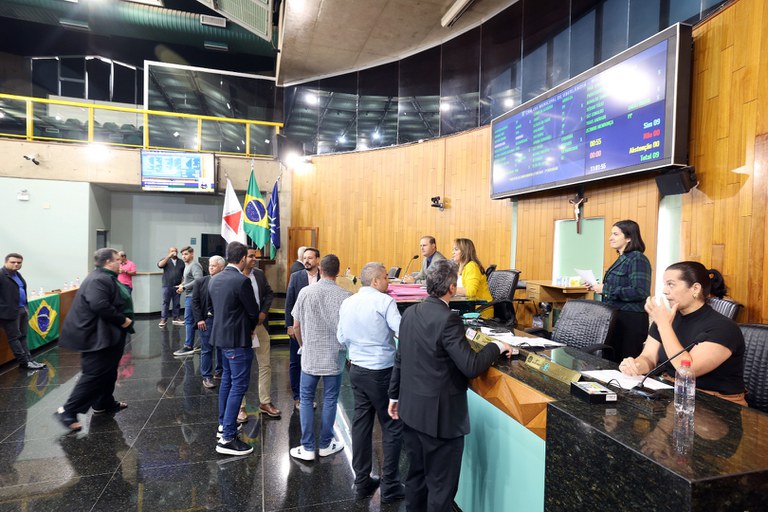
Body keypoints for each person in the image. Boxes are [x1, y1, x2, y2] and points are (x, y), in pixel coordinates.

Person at [387, 259, 512, 511]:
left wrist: (394, 396)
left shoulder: (409, 313)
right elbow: (471, 366)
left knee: (416, 478)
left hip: (410, 412)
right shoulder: (448, 320)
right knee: (441, 489)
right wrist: (497, 346)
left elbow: (400, 358)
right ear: (452, 288)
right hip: (440, 421)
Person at [619, 261, 746, 406]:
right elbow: (649, 357)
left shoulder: (723, 327)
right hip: (673, 393)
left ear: (695, 288)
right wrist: (635, 366)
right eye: (664, 285)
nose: (665, 291)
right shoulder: (666, 320)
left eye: (671, 284)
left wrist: (664, 326)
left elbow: (688, 370)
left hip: (717, 403)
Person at [338, 262, 404, 503]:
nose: (388, 281)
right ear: (375, 281)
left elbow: (341, 337)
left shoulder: (348, 302)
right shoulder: (385, 302)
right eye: (386, 277)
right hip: (382, 372)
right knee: (392, 425)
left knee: (362, 424)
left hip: (356, 370)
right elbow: (402, 332)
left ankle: (362, 482)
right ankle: (391, 486)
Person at [56, 248, 134, 431]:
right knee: (94, 373)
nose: (121, 262)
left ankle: (103, 403)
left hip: (106, 334)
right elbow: (99, 304)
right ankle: (67, 411)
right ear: (107, 262)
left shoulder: (106, 277)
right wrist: (123, 320)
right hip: (94, 336)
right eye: (117, 260)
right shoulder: (98, 279)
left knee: (109, 371)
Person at [289, 254, 352, 461]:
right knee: (331, 398)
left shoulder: (306, 292)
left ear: (320, 270)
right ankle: (325, 444)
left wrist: (303, 345)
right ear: (338, 271)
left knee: (306, 399)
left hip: (311, 354)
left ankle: (307, 447)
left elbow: (296, 326)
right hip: (335, 355)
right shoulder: (346, 296)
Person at [208, 241, 259, 456]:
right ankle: (227, 438)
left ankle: (223, 425)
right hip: (238, 340)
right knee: (238, 386)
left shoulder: (214, 279)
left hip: (221, 338)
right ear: (242, 258)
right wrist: (251, 327)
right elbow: (253, 311)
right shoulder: (241, 281)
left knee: (227, 382)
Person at [587, 220, 652, 362]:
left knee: (626, 364)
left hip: (630, 321)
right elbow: (617, 286)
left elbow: (640, 291)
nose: (610, 238)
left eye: (616, 234)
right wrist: (597, 287)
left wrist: (605, 289)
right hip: (616, 317)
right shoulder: (622, 258)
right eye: (611, 234)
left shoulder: (637, 258)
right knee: (612, 361)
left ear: (629, 237)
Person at [242, 248, 280, 418]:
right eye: (251, 256)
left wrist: (263, 312)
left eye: (255, 256)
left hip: (260, 325)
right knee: (242, 368)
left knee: (265, 365)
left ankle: (265, 402)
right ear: (242, 258)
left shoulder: (258, 274)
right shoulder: (234, 277)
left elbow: (269, 293)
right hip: (242, 328)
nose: (254, 259)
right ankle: (240, 406)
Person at [285, 247, 321, 409]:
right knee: (296, 362)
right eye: (305, 258)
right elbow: (289, 302)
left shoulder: (323, 277)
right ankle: (298, 397)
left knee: (314, 363)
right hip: (298, 326)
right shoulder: (296, 277)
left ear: (317, 260)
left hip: (317, 329)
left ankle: (309, 395)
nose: (306, 261)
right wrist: (289, 325)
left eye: (310, 258)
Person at [0, 253, 45, 370]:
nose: (16, 264)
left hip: (22, 309)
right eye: (13, 262)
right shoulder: (1, 275)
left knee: (23, 336)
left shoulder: (17, 274)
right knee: (14, 338)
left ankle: (29, 360)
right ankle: (24, 362)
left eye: (19, 263)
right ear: (6, 262)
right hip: (9, 313)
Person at [192, 255, 225, 389]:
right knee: (206, 349)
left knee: (221, 347)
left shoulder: (225, 282)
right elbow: (195, 302)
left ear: (221, 267)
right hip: (206, 320)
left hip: (221, 320)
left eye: (214, 265)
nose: (210, 267)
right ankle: (206, 376)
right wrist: (199, 319)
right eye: (210, 265)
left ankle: (219, 371)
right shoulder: (200, 282)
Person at [451, 238, 493, 319]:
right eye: (453, 249)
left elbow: (470, 292)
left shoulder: (471, 266)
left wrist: (449, 289)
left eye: (456, 249)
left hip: (479, 311)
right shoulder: (460, 267)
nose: (453, 252)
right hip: (467, 308)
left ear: (464, 251)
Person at [174, 246, 204, 356]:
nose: (184, 256)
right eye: (182, 254)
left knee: (189, 320)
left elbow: (199, 280)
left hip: (193, 297)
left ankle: (188, 346)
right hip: (190, 296)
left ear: (192, 254)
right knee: (194, 320)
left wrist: (185, 287)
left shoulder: (195, 265)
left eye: (186, 254)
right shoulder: (188, 265)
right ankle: (202, 344)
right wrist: (182, 285)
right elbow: (189, 279)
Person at [157, 246, 185, 328]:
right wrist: (168, 257)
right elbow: (160, 265)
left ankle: (176, 318)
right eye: (172, 251)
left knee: (177, 303)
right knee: (165, 302)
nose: (174, 252)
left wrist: (182, 284)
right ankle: (163, 319)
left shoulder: (181, 262)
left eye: (175, 251)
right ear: (169, 252)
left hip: (177, 286)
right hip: (167, 285)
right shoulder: (165, 260)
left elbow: (184, 274)